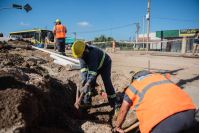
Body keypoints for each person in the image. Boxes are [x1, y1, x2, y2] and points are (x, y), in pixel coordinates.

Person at [116, 70, 196, 133]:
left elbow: (122, 111)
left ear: (134, 79)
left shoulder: (133, 86)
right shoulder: (162, 77)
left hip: (163, 123)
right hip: (189, 112)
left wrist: (118, 127)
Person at [72, 41, 118, 113]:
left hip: (105, 65)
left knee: (107, 83)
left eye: (80, 55)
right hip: (95, 66)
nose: (80, 57)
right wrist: (85, 80)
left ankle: (115, 105)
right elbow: (84, 69)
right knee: (88, 82)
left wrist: (87, 84)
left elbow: (93, 72)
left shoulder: (92, 53)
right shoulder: (81, 54)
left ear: (85, 50)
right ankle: (87, 103)